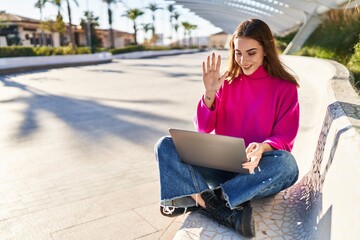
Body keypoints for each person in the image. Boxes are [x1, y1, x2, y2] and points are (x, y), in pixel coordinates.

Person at [154, 18, 300, 238]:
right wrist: (209, 93)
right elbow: (204, 128)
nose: (243, 60)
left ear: (266, 51)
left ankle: (202, 200)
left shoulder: (285, 87)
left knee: (287, 165)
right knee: (166, 145)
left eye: (251, 53)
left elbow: (285, 137)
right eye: (238, 53)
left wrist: (263, 147)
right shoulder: (227, 83)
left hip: (256, 168)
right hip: (220, 165)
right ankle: (217, 205)